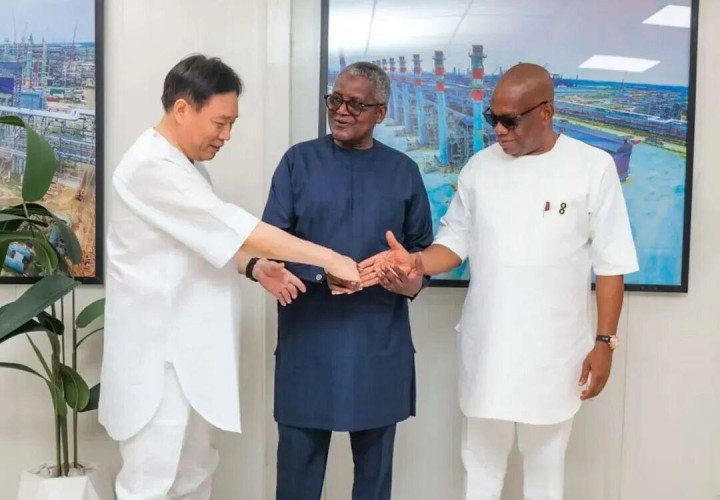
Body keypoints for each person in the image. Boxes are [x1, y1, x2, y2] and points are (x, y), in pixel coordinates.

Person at [360, 63, 639, 500]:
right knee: (481, 470)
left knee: (545, 472)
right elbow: (454, 242)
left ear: (546, 112)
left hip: (555, 353)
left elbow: (611, 264)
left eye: (510, 121)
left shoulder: (593, 168)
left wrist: (605, 342)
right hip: (488, 349)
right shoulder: (479, 168)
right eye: (493, 118)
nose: (499, 130)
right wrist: (416, 261)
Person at [99, 54, 359, 499]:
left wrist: (254, 267)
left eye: (232, 124)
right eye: (220, 122)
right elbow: (239, 228)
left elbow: (201, 242)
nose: (226, 136)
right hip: (159, 361)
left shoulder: (186, 166)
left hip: (189, 354)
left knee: (194, 475)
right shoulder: (150, 166)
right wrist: (330, 258)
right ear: (182, 109)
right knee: (150, 482)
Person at [260, 61, 433, 500]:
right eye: (335, 99)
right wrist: (321, 272)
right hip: (308, 345)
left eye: (355, 104)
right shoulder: (298, 162)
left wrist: (407, 281)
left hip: (379, 347)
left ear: (381, 112)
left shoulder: (404, 171)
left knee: (374, 484)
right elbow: (270, 243)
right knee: (296, 482)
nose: (340, 110)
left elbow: (421, 257)